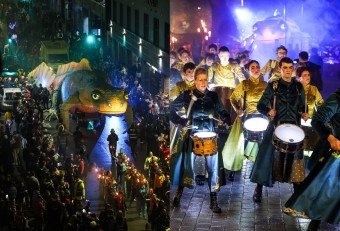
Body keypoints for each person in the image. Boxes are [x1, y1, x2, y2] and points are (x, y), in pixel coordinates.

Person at [170, 67, 230, 213]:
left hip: (209, 134)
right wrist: (179, 120)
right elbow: (171, 108)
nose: (203, 82)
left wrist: (226, 118)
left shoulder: (214, 96)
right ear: (195, 81)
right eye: (200, 80)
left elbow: (222, 111)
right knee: (186, 164)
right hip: (192, 133)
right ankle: (179, 192)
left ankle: (213, 199)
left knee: (212, 167)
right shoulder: (186, 95)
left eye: (205, 79)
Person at [250, 57, 309, 203]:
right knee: (267, 157)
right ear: (280, 69)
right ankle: (259, 188)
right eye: (285, 67)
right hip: (277, 126)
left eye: (290, 68)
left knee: (295, 160)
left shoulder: (298, 87)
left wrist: (304, 113)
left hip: (294, 128)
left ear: (293, 69)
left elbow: (303, 106)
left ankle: (297, 193)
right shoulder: (273, 86)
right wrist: (268, 111)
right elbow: (260, 105)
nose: (288, 70)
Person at [283, 88, 340, 231]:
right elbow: (317, 120)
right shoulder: (336, 98)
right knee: (324, 192)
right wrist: (330, 137)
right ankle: (315, 222)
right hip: (337, 153)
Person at [222, 60, 267, 181]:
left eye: (258, 67)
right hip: (247, 117)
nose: (256, 69)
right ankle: (232, 169)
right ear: (248, 70)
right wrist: (238, 109)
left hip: (261, 117)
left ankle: (262, 170)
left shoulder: (265, 85)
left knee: (262, 144)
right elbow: (233, 98)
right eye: (253, 67)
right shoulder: (244, 84)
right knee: (240, 144)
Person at [208, 46, 245, 123]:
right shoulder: (214, 67)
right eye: (222, 56)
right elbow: (207, 81)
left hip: (231, 94)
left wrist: (238, 76)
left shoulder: (234, 66)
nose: (225, 58)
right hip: (217, 94)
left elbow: (242, 80)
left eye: (226, 56)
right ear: (219, 56)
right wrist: (210, 85)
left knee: (231, 116)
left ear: (229, 55)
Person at [296, 67, 324, 156]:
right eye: (304, 75)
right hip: (297, 121)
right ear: (299, 77)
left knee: (311, 145)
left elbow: (320, 103)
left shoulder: (314, 89)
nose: (308, 77)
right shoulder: (294, 89)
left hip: (309, 121)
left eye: (308, 75)